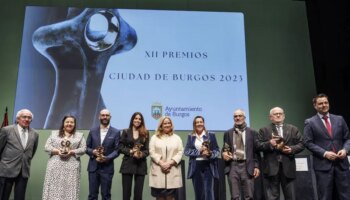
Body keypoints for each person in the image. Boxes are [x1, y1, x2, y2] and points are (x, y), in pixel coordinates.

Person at [303, 93, 350, 200]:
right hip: (323, 165)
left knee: (346, 195)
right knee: (325, 196)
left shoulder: (339, 119)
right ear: (315, 106)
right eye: (320, 103)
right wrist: (325, 153)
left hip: (341, 164)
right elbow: (308, 142)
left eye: (326, 102)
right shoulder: (310, 122)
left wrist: (345, 150)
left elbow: (347, 139)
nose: (324, 105)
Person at [257, 107, 304, 200]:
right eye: (275, 114)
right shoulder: (264, 130)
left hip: (288, 167)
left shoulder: (293, 129)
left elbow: (302, 143)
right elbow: (258, 145)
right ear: (270, 117)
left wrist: (292, 149)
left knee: (291, 196)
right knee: (273, 197)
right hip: (271, 168)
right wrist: (269, 143)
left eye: (280, 113)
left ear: (284, 116)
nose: (278, 115)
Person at [42, 115, 86, 200]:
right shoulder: (54, 134)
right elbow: (47, 146)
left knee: (69, 188)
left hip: (72, 167)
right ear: (63, 123)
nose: (69, 124)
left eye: (72, 122)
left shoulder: (80, 135)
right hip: (55, 166)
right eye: (67, 122)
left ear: (74, 124)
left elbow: (84, 149)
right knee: (53, 188)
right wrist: (57, 151)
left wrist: (72, 151)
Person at [0, 109, 39, 200]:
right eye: (24, 117)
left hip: (23, 171)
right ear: (18, 119)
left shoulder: (35, 134)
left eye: (29, 118)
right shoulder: (7, 130)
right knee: (3, 196)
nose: (27, 119)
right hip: (6, 169)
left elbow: (32, 152)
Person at [221, 109, 260, 200]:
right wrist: (224, 154)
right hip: (232, 165)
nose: (237, 118)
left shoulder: (252, 132)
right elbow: (225, 148)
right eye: (235, 116)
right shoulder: (228, 133)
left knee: (249, 196)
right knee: (235, 196)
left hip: (247, 165)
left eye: (240, 116)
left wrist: (256, 166)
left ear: (244, 117)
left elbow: (256, 151)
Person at [86, 109, 120, 200]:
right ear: (99, 117)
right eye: (103, 115)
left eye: (107, 115)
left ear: (110, 117)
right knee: (92, 195)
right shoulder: (93, 131)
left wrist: (107, 158)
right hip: (93, 167)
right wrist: (92, 152)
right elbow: (86, 147)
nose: (105, 117)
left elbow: (117, 150)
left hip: (107, 168)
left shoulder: (116, 132)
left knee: (106, 195)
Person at [184, 116, 219, 200]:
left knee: (209, 191)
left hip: (208, 165)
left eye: (201, 122)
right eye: (197, 122)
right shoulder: (191, 136)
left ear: (203, 123)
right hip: (196, 166)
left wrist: (210, 154)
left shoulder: (211, 135)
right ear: (194, 124)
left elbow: (217, 150)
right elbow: (186, 151)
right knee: (198, 192)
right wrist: (199, 152)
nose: (199, 123)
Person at [149, 116, 183, 200]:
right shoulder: (154, 138)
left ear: (171, 125)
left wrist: (170, 163)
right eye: (165, 123)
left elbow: (180, 151)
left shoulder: (177, 138)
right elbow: (152, 152)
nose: (167, 125)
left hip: (172, 171)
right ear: (161, 125)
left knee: (170, 197)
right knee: (159, 197)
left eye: (169, 123)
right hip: (158, 172)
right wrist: (162, 163)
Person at [119, 112, 149, 200]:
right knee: (126, 194)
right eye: (136, 118)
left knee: (138, 195)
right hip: (127, 164)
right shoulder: (125, 131)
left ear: (142, 121)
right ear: (132, 120)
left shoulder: (145, 133)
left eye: (140, 119)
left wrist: (141, 154)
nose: (137, 120)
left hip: (141, 165)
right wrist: (131, 151)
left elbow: (147, 150)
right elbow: (120, 147)